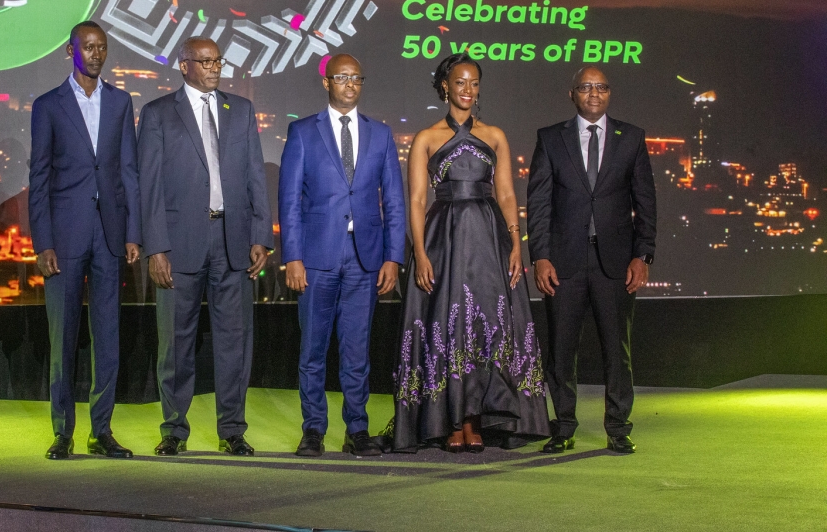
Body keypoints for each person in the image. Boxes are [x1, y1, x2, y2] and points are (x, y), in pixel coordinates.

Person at [383, 53, 549, 454]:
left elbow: (507, 193)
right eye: (460, 82)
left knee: (488, 322)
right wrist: (419, 253)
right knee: (448, 322)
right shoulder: (426, 137)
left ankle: (476, 420)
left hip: (490, 238)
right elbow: (418, 199)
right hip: (445, 238)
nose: (468, 90)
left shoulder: (495, 135)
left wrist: (515, 243)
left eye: (474, 83)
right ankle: (451, 421)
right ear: (445, 86)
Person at [137, 37, 272, 457]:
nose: (214, 68)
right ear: (184, 66)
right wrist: (155, 247)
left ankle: (233, 430)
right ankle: (174, 430)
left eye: (218, 60)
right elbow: (150, 186)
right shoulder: (159, 113)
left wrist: (260, 235)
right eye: (206, 61)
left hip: (231, 242)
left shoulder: (241, 110)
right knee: (175, 344)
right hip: (179, 246)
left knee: (234, 342)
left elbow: (254, 176)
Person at [279, 54, 405, 458]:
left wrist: (393, 257)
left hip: (366, 258)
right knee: (313, 350)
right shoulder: (302, 132)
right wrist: (292, 256)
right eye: (342, 78)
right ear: (327, 83)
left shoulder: (381, 134)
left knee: (356, 350)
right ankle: (313, 430)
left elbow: (395, 203)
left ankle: (357, 429)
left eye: (356, 77)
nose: (350, 84)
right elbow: (290, 201)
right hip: (316, 257)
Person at [527, 65, 657, 455]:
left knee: (617, 350)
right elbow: (538, 203)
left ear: (609, 93)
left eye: (601, 87)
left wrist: (643, 253)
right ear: (573, 94)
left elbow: (645, 201)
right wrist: (541, 256)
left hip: (616, 262)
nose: (594, 93)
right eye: (586, 87)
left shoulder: (631, 137)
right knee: (561, 351)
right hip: (563, 262)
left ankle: (618, 428)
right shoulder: (551, 138)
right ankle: (563, 427)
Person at [28, 21, 141, 460]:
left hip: (110, 234)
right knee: (64, 338)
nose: (96, 54)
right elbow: (39, 177)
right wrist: (43, 243)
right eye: (88, 47)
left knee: (107, 335)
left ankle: (102, 431)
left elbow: (128, 172)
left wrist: (133, 233)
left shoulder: (119, 102)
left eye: (102, 47)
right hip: (65, 234)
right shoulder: (49, 105)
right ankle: (63, 432)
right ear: (70, 50)